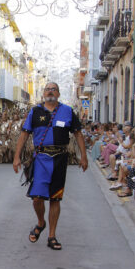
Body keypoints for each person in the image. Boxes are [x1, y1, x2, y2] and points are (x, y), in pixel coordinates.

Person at [13, 82, 88, 250]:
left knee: (55, 198)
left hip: (60, 159)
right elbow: (24, 134)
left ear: (59, 94)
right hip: (40, 158)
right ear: (43, 93)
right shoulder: (35, 111)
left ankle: (52, 236)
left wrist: (83, 156)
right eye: (48, 89)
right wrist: (16, 157)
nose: (50, 91)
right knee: (37, 197)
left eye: (54, 89)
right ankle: (41, 222)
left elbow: (77, 133)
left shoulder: (67, 111)